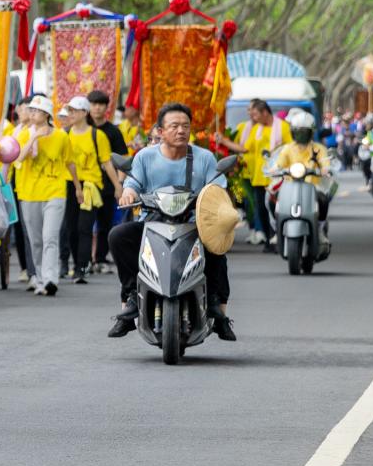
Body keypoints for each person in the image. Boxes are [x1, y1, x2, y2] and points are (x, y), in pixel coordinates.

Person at [108, 103, 234, 341]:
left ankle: (218, 308)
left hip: (194, 223)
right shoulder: (145, 156)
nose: (180, 131)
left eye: (185, 126)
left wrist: (221, 204)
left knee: (217, 246)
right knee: (118, 236)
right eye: (174, 126)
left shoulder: (204, 158)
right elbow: (132, 184)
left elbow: (217, 187)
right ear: (160, 130)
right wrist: (129, 194)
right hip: (152, 222)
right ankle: (131, 298)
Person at [11, 95, 72, 295]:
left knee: (50, 236)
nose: (31, 113)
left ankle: (50, 280)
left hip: (55, 191)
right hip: (29, 193)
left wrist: (78, 188)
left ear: (46, 114)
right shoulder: (23, 134)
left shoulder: (61, 136)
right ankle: (37, 276)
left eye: (35, 111)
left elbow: (69, 162)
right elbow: (18, 157)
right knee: (36, 240)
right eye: (30, 110)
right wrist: (35, 137)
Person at [60, 96, 119, 284]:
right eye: (69, 111)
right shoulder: (65, 134)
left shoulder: (97, 135)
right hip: (68, 184)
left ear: (84, 113)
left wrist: (118, 186)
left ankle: (81, 268)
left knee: (84, 227)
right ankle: (75, 263)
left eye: (74, 111)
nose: (71, 114)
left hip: (90, 186)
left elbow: (107, 163)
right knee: (70, 228)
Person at [229, 99, 287, 249]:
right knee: (261, 209)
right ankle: (268, 238)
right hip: (259, 177)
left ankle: (280, 237)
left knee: (277, 209)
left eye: (255, 114)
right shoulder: (256, 130)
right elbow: (245, 148)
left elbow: (289, 148)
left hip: (277, 177)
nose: (253, 117)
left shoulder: (283, 127)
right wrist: (223, 141)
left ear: (265, 112)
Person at [86, 90, 128, 279]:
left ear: (106, 107)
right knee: (84, 224)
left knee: (105, 224)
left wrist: (120, 183)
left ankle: (100, 259)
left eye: (101, 104)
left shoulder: (113, 131)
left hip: (108, 185)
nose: (97, 107)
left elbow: (122, 158)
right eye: (94, 104)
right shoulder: (82, 128)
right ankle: (84, 259)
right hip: (86, 183)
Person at [268, 109, 333, 223]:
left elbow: (324, 162)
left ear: (311, 133)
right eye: (298, 131)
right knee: (271, 198)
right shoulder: (287, 148)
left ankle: (320, 228)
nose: (301, 134)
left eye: (304, 132)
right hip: (288, 185)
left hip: (313, 185)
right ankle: (277, 228)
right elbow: (279, 163)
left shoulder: (318, 148)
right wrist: (274, 169)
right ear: (292, 132)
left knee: (323, 199)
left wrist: (325, 169)